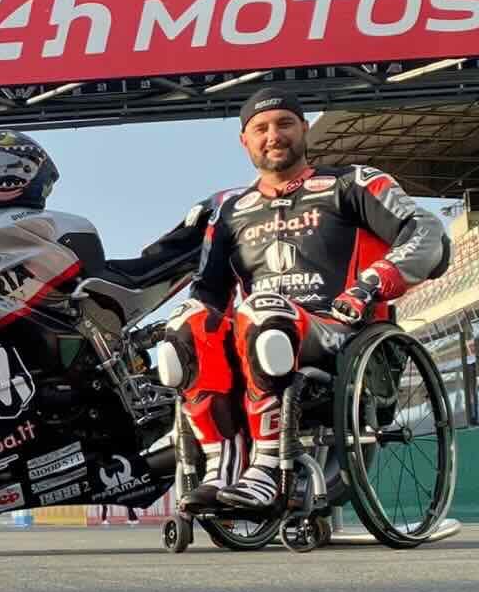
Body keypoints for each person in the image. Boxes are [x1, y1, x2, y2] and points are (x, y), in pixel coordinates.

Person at [157, 87, 451, 511]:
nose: (273, 135)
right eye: (260, 128)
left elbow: (428, 233)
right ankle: (223, 464)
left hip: (341, 334)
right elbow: (208, 291)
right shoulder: (230, 212)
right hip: (256, 336)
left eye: (284, 124)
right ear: (245, 141)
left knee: (262, 310)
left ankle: (267, 469)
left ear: (304, 130)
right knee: (186, 324)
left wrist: (371, 284)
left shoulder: (351, 184)